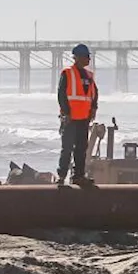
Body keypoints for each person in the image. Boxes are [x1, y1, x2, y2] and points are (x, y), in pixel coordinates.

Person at [57, 43, 98, 185]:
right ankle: (61, 176)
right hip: (70, 119)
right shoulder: (67, 73)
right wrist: (66, 113)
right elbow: (61, 94)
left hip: (83, 119)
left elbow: (94, 93)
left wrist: (94, 108)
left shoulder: (89, 75)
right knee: (67, 148)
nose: (89, 60)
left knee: (81, 149)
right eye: (87, 57)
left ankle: (78, 176)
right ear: (78, 57)